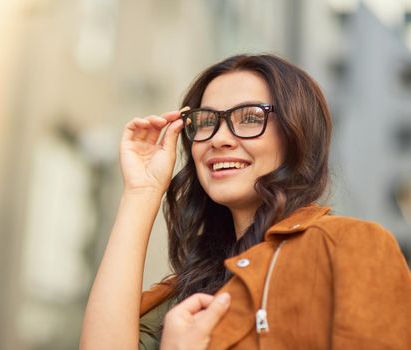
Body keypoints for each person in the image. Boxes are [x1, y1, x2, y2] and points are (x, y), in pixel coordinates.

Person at [80, 54, 411, 350]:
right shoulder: (183, 295)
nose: (220, 138)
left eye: (250, 118)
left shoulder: (348, 247)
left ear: (296, 134)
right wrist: (142, 191)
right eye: (206, 122)